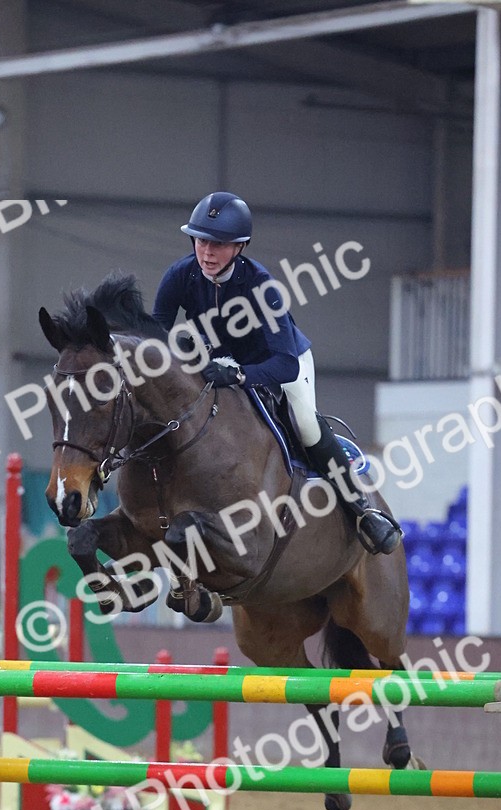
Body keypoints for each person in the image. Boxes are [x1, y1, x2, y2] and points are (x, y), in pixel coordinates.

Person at [152, 191, 402, 556]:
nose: (206, 252)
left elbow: (284, 364)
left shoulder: (260, 286)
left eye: (218, 244)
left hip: (280, 364)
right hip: (218, 365)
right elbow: (154, 336)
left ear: (239, 248)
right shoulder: (180, 275)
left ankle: (362, 510)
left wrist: (238, 377)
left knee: (305, 424)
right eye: (201, 240)